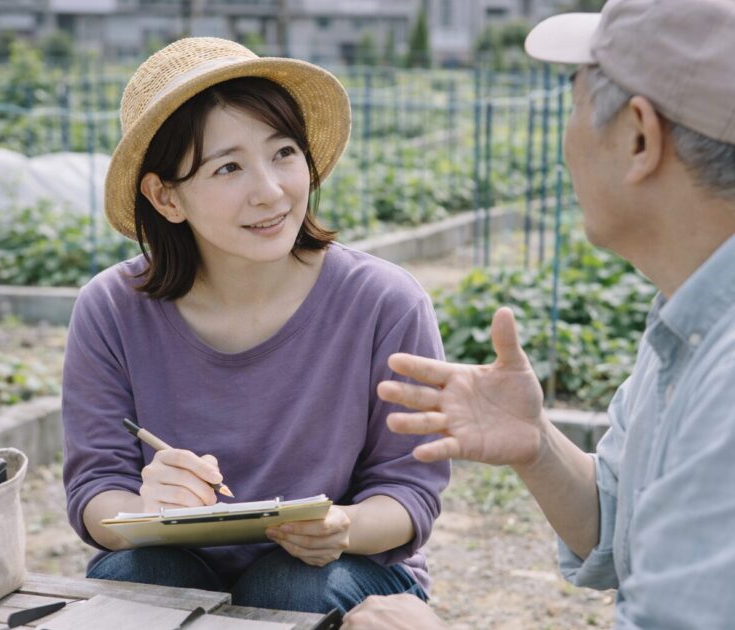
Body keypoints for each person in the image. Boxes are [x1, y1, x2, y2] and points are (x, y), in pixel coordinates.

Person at [343, 0, 735, 628]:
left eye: (573, 103)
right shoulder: (717, 307)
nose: (566, 140)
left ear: (639, 136)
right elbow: (620, 526)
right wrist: (536, 445)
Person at [61, 37, 449, 615]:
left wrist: (343, 525)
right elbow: (96, 489)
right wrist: (144, 512)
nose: (270, 191)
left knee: (286, 588)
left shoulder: (385, 303)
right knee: (142, 575)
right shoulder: (112, 310)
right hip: (172, 562)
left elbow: (410, 491)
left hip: (344, 569)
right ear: (165, 196)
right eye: (229, 167)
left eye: (284, 153)